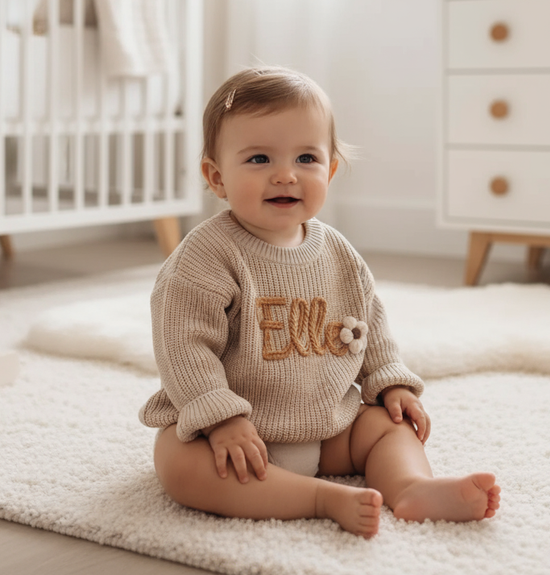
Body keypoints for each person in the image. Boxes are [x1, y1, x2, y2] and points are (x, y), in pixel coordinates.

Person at [139, 66, 500, 538]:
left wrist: (390, 383)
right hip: (232, 433)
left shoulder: (338, 253)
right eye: (259, 159)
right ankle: (319, 498)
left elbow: (370, 321)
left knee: (390, 427)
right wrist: (220, 416)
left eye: (306, 158)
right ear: (217, 176)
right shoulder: (206, 257)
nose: (285, 175)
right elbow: (182, 345)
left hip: (329, 425)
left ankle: (411, 487)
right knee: (179, 465)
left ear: (329, 169)